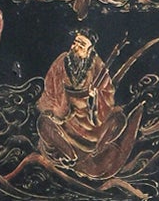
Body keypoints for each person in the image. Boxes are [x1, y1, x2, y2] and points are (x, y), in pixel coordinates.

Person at [35, 30, 142, 179]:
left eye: (82, 45)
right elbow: (50, 88)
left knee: (119, 119)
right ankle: (69, 155)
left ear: (90, 50)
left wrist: (95, 96)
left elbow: (108, 93)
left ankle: (95, 152)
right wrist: (58, 109)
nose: (76, 47)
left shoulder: (97, 66)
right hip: (65, 122)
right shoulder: (61, 62)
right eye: (75, 43)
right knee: (43, 122)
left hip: (91, 126)